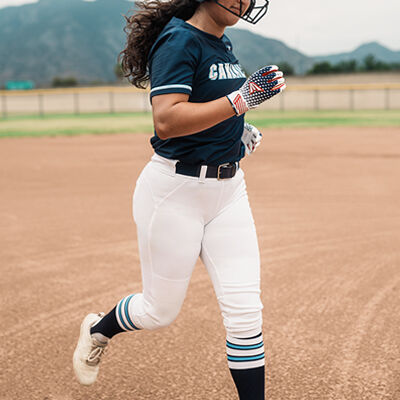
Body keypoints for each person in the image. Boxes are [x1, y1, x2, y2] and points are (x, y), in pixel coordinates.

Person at [73, 0, 286, 398]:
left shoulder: (222, 43)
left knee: (245, 313)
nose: (243, 1)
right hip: (174, 193)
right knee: (158, 311)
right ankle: (98, 329)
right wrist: (241, 101)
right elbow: (167, 120)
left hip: (229, 192)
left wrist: (234, 134)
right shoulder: (178, 40)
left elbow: (210, 106)